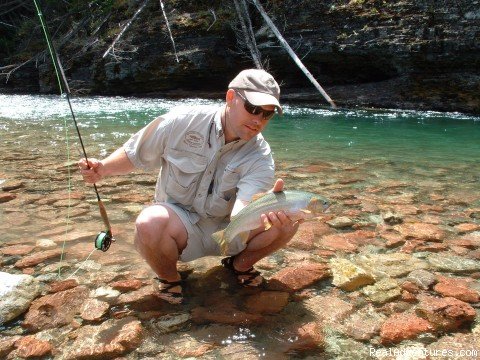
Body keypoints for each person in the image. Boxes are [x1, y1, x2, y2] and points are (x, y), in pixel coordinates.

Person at [79, 69, 301, 304]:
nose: (258, 120)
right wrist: (101, 168)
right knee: (149, 221)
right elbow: (136, 154)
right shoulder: (181, 121)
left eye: (267, 115)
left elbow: (243, 207)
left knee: (291, 219)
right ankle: (169, 279)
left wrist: (266, 213)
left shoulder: (260, 156)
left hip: (229, 230)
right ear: (230, 98)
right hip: (181, 227)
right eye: (253, 109)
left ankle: (240, 265)